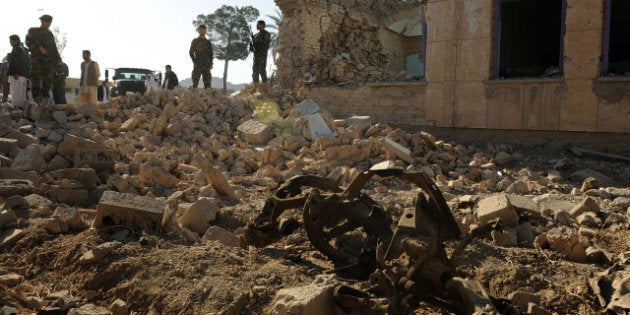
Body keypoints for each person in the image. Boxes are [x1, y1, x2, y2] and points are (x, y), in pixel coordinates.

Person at [25, 14, 60, 106]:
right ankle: (35, 101)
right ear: (42, 21)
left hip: (48, 61)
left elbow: (54, 48)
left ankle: (45, 100)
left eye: (49, 22)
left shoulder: (50, 34)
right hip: (37, 60)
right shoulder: (33, 31)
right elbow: (28, 41)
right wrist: (39, 47)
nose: (48, 24)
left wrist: (58, 59)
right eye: (46, 22)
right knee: (35, 79)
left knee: (48, 80)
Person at [7, 35, 31, 107]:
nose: (10, 42)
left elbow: (18, 62)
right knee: (21, 96)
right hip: (21, 75)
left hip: (17, 76)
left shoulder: (17, 49)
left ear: (15, 41)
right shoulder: (20, 50)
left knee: (16, 96)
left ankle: (17, 112)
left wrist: (15, 72)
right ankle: (21, 112)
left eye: (11, 41)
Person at [189, 25, 213, 89]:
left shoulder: (208, 42)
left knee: (208, 84)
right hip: (198, 64)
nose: (202, 31)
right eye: (201, 29)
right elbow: (191, 53)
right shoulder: (195, 41)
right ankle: (193, 97)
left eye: (204, 30)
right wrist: (195, 62)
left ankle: (208, 98)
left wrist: (211, 63)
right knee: (195, 83)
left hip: (206, 65)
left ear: (206, 31)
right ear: (198, 31)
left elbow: (211, 53)